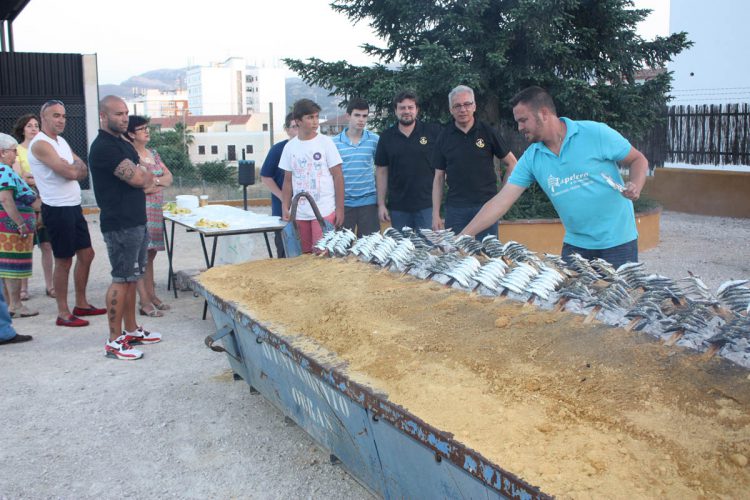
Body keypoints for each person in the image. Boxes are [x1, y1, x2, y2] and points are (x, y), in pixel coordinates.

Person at [462, 86, 649, 268]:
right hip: (575, 246)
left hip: (618, 243)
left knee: (617, 300)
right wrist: (462, 237)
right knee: (570, 300)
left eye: (523, 120)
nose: (519, 127)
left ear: (543, 113)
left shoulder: (595, 133)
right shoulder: (532, 157)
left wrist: (636, 185)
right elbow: (500, 202)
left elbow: (638, 159)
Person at [89, 96, 162, 360]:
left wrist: (144, 177)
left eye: (126, 113)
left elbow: (145, 176)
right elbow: (139, 178)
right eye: (118, 113)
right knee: (122, 278)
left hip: (136, 219)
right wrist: (144, 177)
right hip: (119, 223)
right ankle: (113, 340)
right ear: (103, 115)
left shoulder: (123, 143)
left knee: (132, 278)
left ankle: (131, 330)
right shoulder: (104, 148)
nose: (123, 118)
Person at [28, 100, 105, 327]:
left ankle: (81, 303)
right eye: (55, 115)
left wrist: (73, 167)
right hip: (56, 208)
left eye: (63, 116)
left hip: (73, 205)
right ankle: (63, 312)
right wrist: (72, 168)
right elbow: (68, 172)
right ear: (43, 118)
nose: (61, 120)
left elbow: (81, 167)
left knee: (87, 254)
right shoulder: (40, 144)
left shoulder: (60, 141)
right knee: (63, 260)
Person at [432, 85, 518, 239]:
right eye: (457, 106)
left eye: (467, 104)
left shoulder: (487, 131)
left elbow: (512, 163)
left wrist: (502, 197)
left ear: (474, 106)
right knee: (457, 258)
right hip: (455, 210)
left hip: (486, 208)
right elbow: (438, 178)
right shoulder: (443, 137)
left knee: (488, 257)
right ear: (451, 110)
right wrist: (435, 214)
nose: (462, 109)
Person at [280, 98, 345, 253]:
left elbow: (338, 176)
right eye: (310, 117)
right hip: (300, 212)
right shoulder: (290, 147)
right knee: (303, 256)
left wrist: (340, 209)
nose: (315, 121)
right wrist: (285, 206)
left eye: (316, 116)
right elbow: (287, 181)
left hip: (323, 211)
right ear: (298, 121)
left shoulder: (326, 143)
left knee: (321, 254)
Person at [124, 115, 173, 317]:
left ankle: (151, 295)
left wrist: (154, 182)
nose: (147, 131)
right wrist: (152, 182)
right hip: (140, 208)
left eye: (147, 128)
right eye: (142, 128)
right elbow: (138, 184)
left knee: (150, 254)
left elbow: (168, 178)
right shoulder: (129, 155)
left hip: (155, 208)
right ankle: (144, 300)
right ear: (131, 134)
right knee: (141, 255)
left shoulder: (153, 153)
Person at [375, 90, 442, 231]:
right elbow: (381, 172)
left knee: (427, 251)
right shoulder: (386, 137)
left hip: (427, 206)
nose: (407, 111)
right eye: (402, 108)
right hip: (399, 209)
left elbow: (443, 166)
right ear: (395, 111)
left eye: (410, 107)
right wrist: (381, 204)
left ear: (417, 110)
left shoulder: (433, 132)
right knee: (402, 251)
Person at [12, 113, 55, 300]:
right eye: (29, 125)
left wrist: (32, 177)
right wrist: (32, 177)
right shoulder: (17, 150)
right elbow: (19, 176)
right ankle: (23, 288)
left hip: (44, 197)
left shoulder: (43, 148)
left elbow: (50, 171)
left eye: (36, 125)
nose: (34, 128)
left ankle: (50, 285)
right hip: (25, 201)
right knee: (26, 246)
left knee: (47, 245)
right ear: (23, 129)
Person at [0, 133, 41, 318]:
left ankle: (10, 304)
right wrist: (21, 223)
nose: (16, 155)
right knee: (13, 266)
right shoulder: (5, 171)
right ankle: (16, 305)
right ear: (1, 152)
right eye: (13, 151)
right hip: (11, 229)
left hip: (8, 227)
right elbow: (6, 199)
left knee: (6, 268)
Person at [332, 97, 380, 237]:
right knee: (341, 250)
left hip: (368, 203)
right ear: (348, 116)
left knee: (370, 248)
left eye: (364, 116)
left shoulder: (374, 140)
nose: (361, 119)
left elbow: (381, 169)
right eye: (357, 115)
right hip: (344, 204)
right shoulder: (334, 143)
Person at [260, 112, 298, 257]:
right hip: (282, 212)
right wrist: (283, 197)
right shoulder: (278, 150)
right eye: (294, 127)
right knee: (284, 252)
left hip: (305, 211)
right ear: (287, 129)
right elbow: (265, 176)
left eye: (299, 126)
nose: (297, 131)